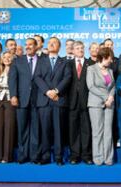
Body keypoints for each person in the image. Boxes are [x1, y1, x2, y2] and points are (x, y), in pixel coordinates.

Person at [34, 37, 71, 165]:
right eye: (50, 43)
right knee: (44, 130)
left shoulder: (64, 62)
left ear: (59, 47)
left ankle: (59, 157)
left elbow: (67, 77)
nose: (51, 44)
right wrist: (47, 91)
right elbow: (37, 77)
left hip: (58, 99)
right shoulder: (40, 61)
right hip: (44, 100)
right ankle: (45, 156)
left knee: (58, 130)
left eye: (54, 43)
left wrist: (56, 91)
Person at [9, 38, 42, 164]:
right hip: (21, 100)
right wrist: (13, 95)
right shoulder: (18, 61)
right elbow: (12, 79)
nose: (27, 47)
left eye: (30, 45)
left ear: (36, 47)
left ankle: (34, 156)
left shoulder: (43, 61)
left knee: (35, 130)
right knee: (22, 128)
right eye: (26, 45)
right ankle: (22, 155)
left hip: (38, 100)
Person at [86, 47, 116, 166]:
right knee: (97, 132)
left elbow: (113, 86)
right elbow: (91, 86)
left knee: (108, 132)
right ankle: (98, 158)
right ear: (103, 57)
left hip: (110, 104)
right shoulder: (91, 69)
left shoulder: (110, 70)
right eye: (110, 58)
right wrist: (106, 97)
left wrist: (111, 97)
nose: (111, 61)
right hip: (95, 104)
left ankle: (108, 158)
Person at [67, 41, 94, 165]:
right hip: (72, 102)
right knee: (73, 129)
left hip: (87, 101)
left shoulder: (91, 64)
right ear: (72, 50)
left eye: (82, 48)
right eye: (77, 48)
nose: (80, 50)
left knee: (86, 129)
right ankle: (74, 155)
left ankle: (86, 155)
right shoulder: (68, 63)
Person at [0, 52, 16, 163]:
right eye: (4, 57)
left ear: (13, 58)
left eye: (9, 57)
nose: (6, 59)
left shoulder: (16, 69)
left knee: (9, 127)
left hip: (11, 100)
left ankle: (6, 157)